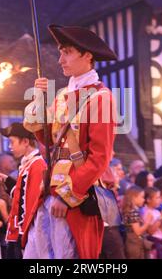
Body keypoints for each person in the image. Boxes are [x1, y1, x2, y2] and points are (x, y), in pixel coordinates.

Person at [23, 24, 117, 259]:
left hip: (74, 197)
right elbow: (46, 139)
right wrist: (38, 99)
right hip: (50, 192)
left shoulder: (101, 98)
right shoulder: (63, 95)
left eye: (67, 52)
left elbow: (99, 159)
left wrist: (67, 196)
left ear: (87, 56)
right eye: (61, 52)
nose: (60, 60)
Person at [0, 123, 46, 259]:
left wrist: (23, 236)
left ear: (25, 142)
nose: (10, 147)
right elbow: (23, 196)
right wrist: (9, 182)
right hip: (16, 233)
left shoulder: (37, 165)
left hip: (24, 235)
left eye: (12, 142)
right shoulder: (28, 164)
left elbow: (31, 205)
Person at [122, 186, 152, 259]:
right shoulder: (133, 211)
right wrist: (148, 222)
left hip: (131, 243)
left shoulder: (130, 210)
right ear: (134, 197)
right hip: (135, 244)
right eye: (142, 197)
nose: (144, 199)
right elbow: (138, 231)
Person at [141, 187, 162, 259]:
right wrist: (160, 219)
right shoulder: (145, 211)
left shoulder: (157, 211)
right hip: (154, 241)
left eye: (159, 197)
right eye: (157, 198)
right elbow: (150, 231)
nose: (159, 200)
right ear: (148, 200)